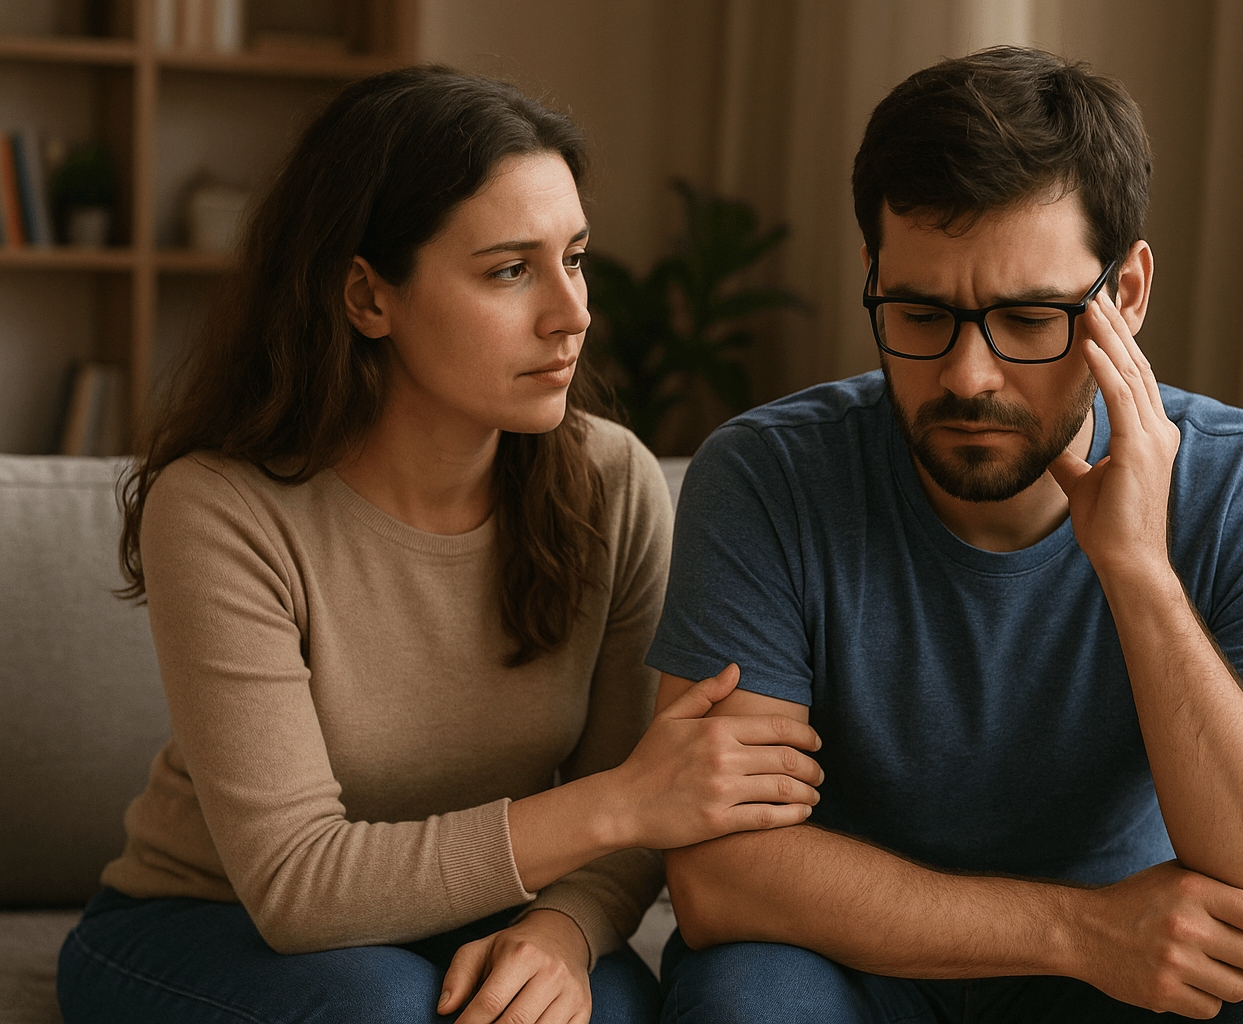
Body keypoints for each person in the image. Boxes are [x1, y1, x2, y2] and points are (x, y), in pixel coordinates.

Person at [55, 66, 823, 1024]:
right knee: (383, 1006)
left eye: (574, 258)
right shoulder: (220, 510)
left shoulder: (615, 482)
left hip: (489, 910)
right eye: (510, 270)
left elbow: (636, 809)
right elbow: (298, 888)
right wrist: (621, 804)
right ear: (368, 298)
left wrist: (563, 932)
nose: (572, 312)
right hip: (204, 922)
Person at [648, 46, 1243, 1022]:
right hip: (847, 961)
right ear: (872, 273)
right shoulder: (766, 475)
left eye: (1029, 319)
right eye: (920, 312)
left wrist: (1136, 570)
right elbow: (721, 876)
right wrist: (1078, 929)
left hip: (1134, 980)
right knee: (744, 995)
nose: (967, 376)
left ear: (1125, 295)